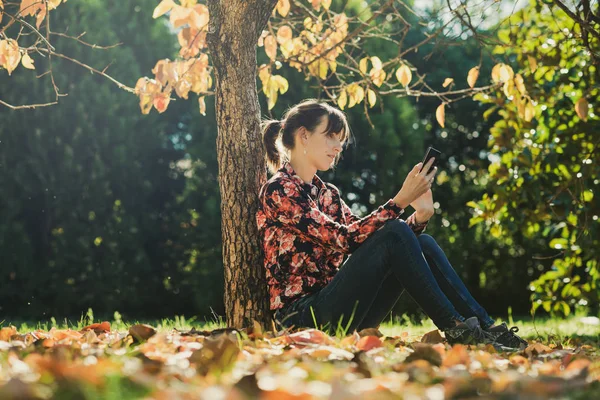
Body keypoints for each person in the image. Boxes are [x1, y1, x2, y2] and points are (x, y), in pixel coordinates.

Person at [255, 99, 528, 350]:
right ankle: (457, 329)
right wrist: (398, 201)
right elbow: (346, 239)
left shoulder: (328, 194)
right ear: (303, 135)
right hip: (302, 319)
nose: (338, 147)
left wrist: (419, 217)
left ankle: (486, 327)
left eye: (340, 140)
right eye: (330, 137)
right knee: (396, 230)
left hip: (343, 311)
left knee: (422, 242)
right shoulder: (279, 190)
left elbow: (369, 241)